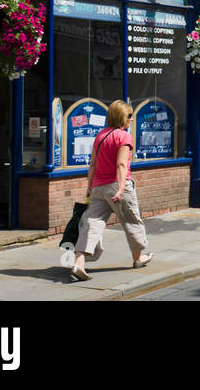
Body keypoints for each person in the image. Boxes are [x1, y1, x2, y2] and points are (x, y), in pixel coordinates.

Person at [70, 100, 151, 281]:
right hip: (116, 185)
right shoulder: (124, 137)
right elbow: (121, 164)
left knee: (91, 224)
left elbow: (92, 164)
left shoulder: (100, 136)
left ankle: (79, 263)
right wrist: (121, 189)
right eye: (129, 116)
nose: (131, 119)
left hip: (98, 187)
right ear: (122, 117)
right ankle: (138, 259)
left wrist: (89, 187)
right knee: (132, 221)